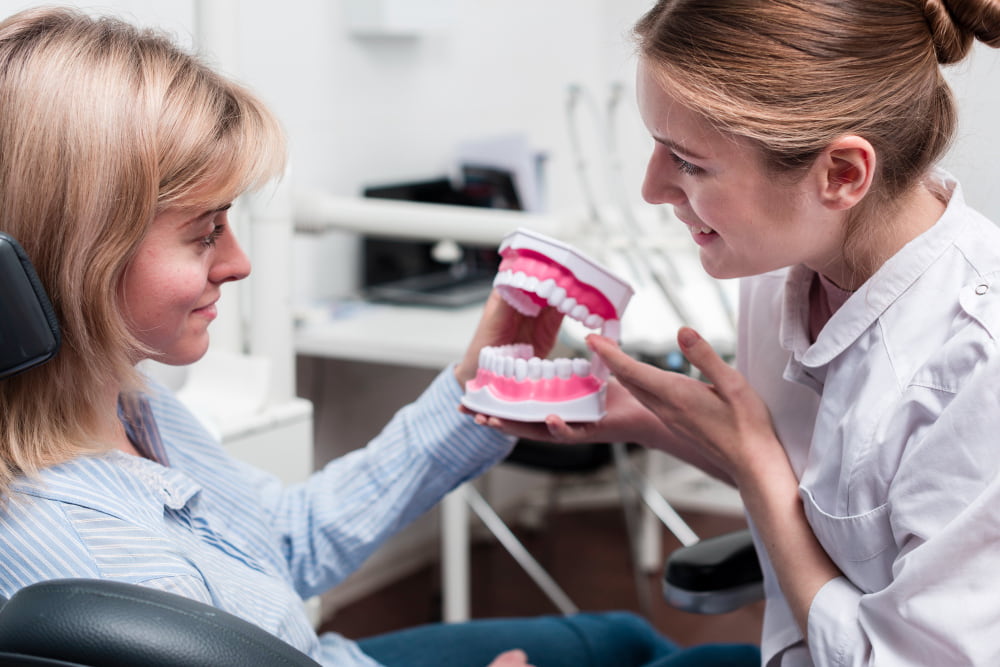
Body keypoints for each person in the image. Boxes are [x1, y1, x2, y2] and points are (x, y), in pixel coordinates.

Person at [0, 7, 761, 667]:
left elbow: (288, 540)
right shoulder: (83, 553)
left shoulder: (127, 409)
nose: (238, 262)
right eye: (204, 234)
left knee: (624, 639)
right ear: (78, 252)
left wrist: (474, 387)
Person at [477, 1, 1000, 665]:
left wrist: (754, 462)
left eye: (689, 162)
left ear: (841, 174)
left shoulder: (978, 364)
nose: (651, 187)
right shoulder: (786, 263)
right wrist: (643, 416)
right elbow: (826, 483)